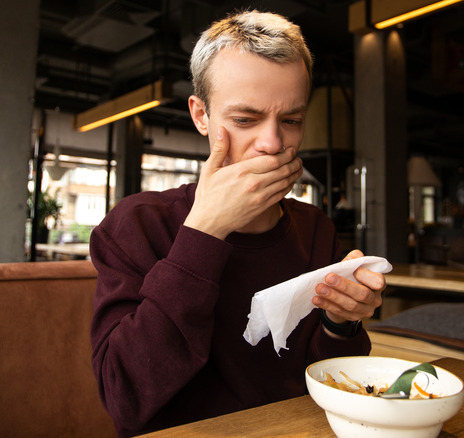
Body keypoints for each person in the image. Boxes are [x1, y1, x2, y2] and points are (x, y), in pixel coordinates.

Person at [89, 10, 387, 437]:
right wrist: (204, 232)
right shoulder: (137, 225)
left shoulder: (316, 229)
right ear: (201, 115)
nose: (271, 143)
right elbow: (126, 399)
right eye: (245, 120)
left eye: (291, 120)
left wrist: (343, 321)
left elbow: (328, 381)